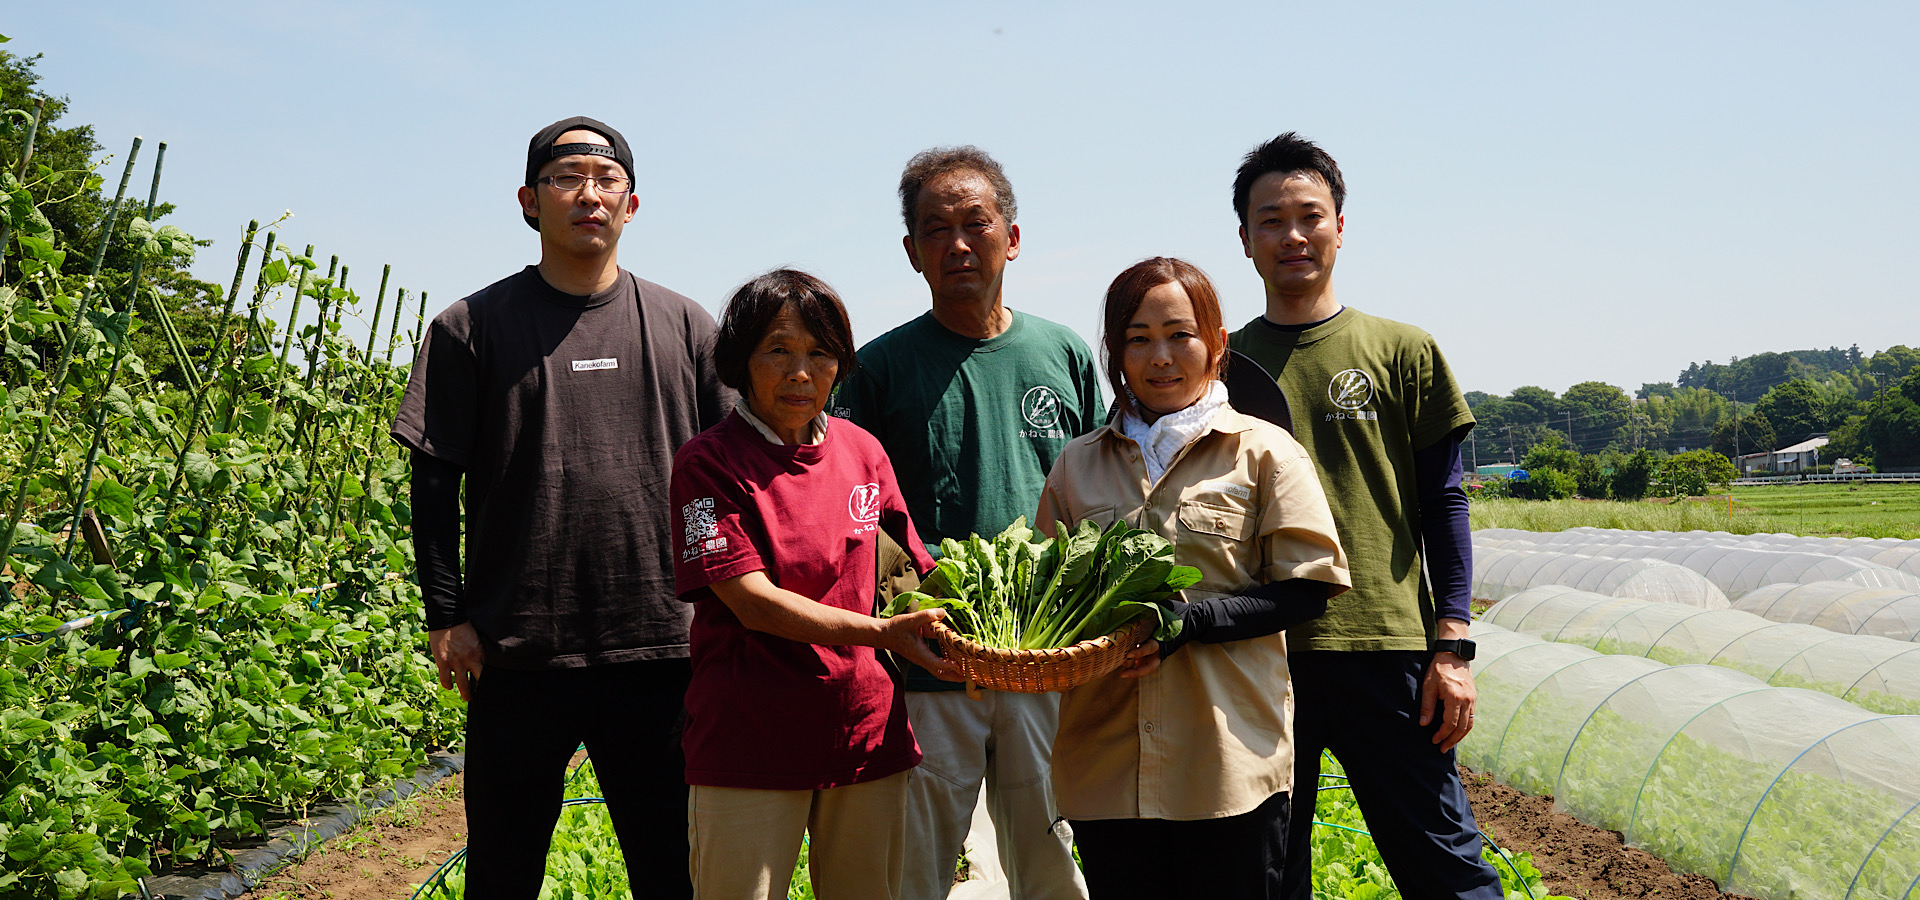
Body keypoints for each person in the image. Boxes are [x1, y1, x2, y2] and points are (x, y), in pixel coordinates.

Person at [392, 116, 732, 900]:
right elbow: (434, 486)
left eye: (606, 180)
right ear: (528, 200)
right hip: (518, 650)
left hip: (660, 647)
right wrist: (446, 614)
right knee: (505, 871)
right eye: (565, 178)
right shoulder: (470, 327)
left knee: (672, 870)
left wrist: (721, 599)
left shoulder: (687, 328)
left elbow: (728, 479)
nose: (589, 195)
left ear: (633, 204)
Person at [1224, 133, 1502, 899]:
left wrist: (1453, 642)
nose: (1293, 235)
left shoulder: (1402, 350)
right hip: (1262, 651)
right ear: (1244, 239)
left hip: (1387, 645)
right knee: (1272, 870)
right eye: (1270, 219)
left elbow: (1444, 502)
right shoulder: (1219, 366)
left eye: (1309, 215)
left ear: (1341, 226)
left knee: (1443, 862)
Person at [1034, 257, 1351, 899]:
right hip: (1106, 767)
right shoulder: (1077, 464)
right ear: (1115, 353)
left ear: (1217, 344)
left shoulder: (1265, 451)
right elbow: (1050, 592)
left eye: (1181, 334)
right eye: (1138, 338)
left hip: (1227, 764)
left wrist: (1194, 621)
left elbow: (1308, 587)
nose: (1161, 357)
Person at [836, 146, 1100, 900]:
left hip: (1045, 657)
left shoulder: (1063, 353)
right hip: (930, 664)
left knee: (1051, 859)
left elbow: (1101, 497)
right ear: (912, 251)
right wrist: (906, 620)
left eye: (975, 223)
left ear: (1011, 237)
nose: (957, 243)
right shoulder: (879, 369)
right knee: (915, 864)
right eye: (935, 228)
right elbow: (857, 520)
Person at [670, 268, 959, 900]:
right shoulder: (708, 463)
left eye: (820, 353)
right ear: (741, 359)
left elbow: (911, 569)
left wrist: (988, 630)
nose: (801, 372)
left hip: (866, 733)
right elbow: (753, 602)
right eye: (778, 350)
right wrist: (883, 632)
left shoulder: (862, 451)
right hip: (750, 739)